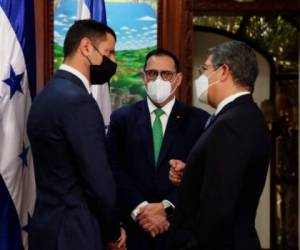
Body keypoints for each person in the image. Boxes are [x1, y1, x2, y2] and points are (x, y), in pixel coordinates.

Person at [27, 20, 126, 250]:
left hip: (46, 229)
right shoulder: (78, 101)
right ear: (86, 47)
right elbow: (98, 180)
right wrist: (113, 230)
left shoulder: (47, 94)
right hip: (75, 234)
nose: (113, 61)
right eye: (109, 52)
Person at [167, 40, 271, 250]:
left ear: (223, 71)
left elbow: (219, 206)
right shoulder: (236, 116)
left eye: (204, 69)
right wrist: (193, 174)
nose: (200, 77)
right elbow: (225, 178)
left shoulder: (234, 122)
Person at [106, 48, 209, 250]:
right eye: (153, 74)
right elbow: (114, 169)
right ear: (144, 77)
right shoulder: (122, 119)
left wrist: (166, 208)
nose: (158, 80)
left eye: (166, 74)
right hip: (133, 231)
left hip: (179, 233)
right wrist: (142, 210)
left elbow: (203, 175)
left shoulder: (199, 120)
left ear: (178, 79)